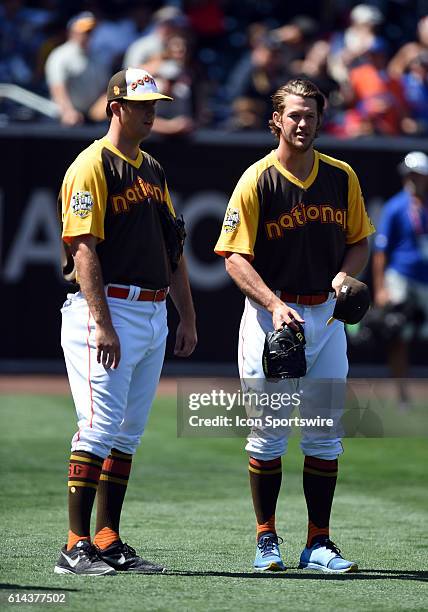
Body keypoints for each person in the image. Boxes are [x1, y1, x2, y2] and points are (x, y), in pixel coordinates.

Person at [215, 78, 374, 573]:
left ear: (321, 120)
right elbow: (233, 258)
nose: (302, 123)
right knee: (268, 436)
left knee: (325, 434)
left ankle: (318, 543)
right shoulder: (257, 179)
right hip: (271, 319)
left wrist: (348, 274)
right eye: (294, 115)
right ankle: (267, 540)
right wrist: (271, 302)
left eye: (310, 114)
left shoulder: (341, 176)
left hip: (326, 318)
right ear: (276, 121)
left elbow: (360, 240)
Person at [55, 67, 197, 575]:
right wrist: (103, 321)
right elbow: (84, 250)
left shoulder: (151, 168)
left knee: (127, 433)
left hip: (153, 309)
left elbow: (172, 244)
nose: (151, 112)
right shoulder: (91, 165)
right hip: (107, 310)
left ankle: (108, 538)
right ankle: (74, 547)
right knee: (96, 428)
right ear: (115, 107)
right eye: (141, 105)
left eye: (154, 104)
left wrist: (185, 314)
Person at [372, 151, 428, 409]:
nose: (413, 180)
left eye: (418, 175)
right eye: (410, 175)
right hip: (401, 276)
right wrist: (381, 288)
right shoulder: (396, 207)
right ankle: (402, 394)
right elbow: (380, 251)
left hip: (425, 279)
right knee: (399, 335)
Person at [45, 11, 109, 125]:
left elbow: (105, 89)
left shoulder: (99, 57)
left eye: (90, 32)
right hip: (64, 119)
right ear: (71, 32)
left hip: (92, 119)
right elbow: (57, 89)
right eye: (83, 31)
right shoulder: (60, 55)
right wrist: (68, 111)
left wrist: (100, 110)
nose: (87, 35)